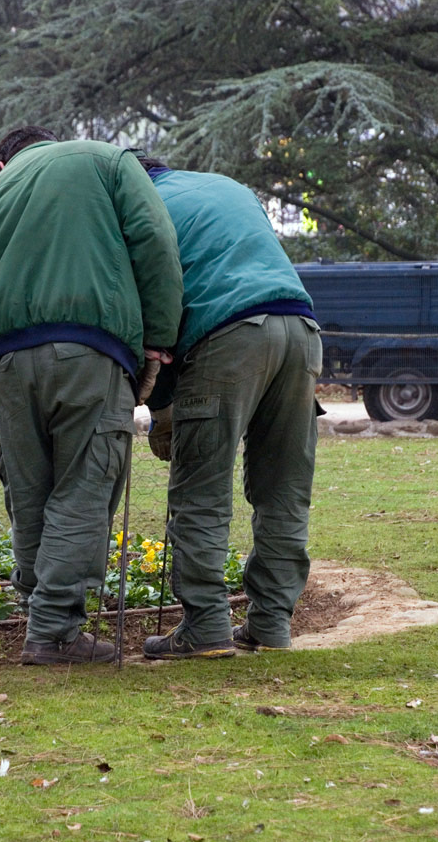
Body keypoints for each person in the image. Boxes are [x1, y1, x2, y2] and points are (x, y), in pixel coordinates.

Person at [0, 127, 183, 665]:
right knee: (85, 484)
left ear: (2, 162)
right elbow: (155, 241)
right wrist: (157, 342)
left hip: (5, 363)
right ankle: (54, 634)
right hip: (90, 353)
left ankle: (41, 617)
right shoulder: (106, 160)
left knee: (29, 492)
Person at [136, 156, 323, 660]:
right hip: (301, 329)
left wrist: (159, 403)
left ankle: (205, 627)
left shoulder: (139, 202)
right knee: (283, 487)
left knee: (201, 488)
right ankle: (270, 625)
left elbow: (149, 305)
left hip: (229, 335)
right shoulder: (227, 185)